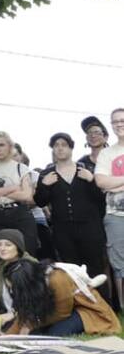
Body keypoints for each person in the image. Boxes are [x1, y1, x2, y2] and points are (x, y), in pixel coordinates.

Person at [34, 132, 106, 285]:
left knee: (95, 269)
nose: (60, 149)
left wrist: (92, 180)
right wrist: (45, 186)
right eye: (56, 146)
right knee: (72, 270)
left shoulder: (85, 170)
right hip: (63, 231)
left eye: (64, 145)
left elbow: (100, 199)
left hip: (90, 228)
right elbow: (39, 202)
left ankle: (102, 306)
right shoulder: (47, 174)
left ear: (71, 148)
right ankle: (79, 307)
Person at [0, 258, 119, 335]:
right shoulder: (34, 284)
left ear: (25, 283)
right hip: (61, 311)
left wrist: (31, 325)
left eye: (14, 287)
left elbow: (62, 312)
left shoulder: (57, 278)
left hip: (84, 310)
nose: (12, 290)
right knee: (36, 332)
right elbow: (26, 313)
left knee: (53, 333)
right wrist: (8, 336)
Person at [0, 130, 38, 263]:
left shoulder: (21, 168)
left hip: (21, 214)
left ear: (9, 146)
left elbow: (27, 195)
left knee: (27, 258)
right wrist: (12, 188)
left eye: (2, 145)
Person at [94, 106, 124, 311]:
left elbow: (108, 182)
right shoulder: (107, 153)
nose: (119, 124)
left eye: (122, 120)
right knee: (120, 266)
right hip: (115, 216)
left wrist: (116, 183)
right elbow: (101, 181)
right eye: (115, 121)